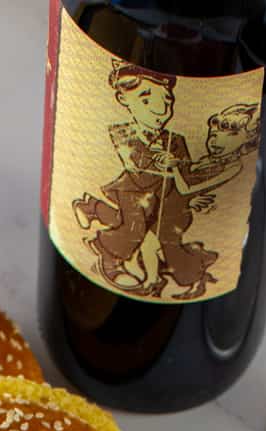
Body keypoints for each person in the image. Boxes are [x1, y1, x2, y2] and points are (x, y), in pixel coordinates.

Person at [71, 64, 244, 300]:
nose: (161, 109)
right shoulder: (123, 133)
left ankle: (94, 210)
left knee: (159, 239)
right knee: (135, 228)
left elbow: (185, 176)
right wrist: (167, 167)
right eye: (146, 100)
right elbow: (139, 174)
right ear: (124, 99)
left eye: (168, 101)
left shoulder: (177, 140)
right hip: (134, 193)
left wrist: (186, 189)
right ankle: (112, 260)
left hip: (166, 200)